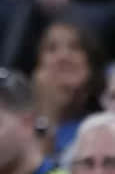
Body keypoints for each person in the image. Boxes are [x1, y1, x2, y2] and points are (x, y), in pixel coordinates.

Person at [32, 19, 104, 162]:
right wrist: (47, 112)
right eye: (51, 48)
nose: (63, 56)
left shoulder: (106, 119)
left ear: (91, 62)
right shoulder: (19, 124)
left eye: (75, 47)